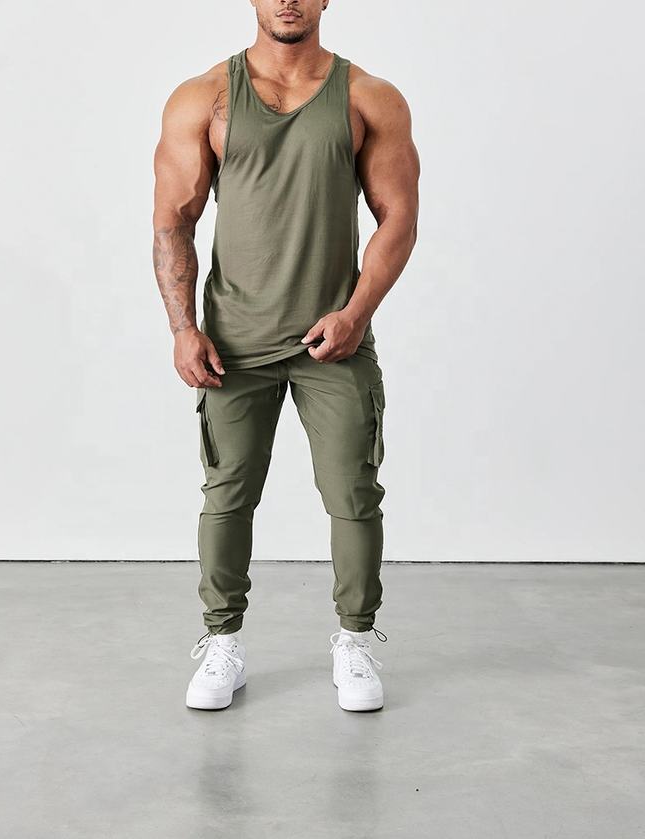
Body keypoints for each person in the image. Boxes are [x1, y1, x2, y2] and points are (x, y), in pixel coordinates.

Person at [152, 0, 419, 712]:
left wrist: (356, 314)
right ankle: (221, 640)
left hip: (334, 339)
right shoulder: (203, 96)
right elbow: (173, 218)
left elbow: (398, 217)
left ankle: (355, 639)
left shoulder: (369, 97)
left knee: (353, 494)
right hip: (232, 344)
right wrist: (183, 327)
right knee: (227, 494)